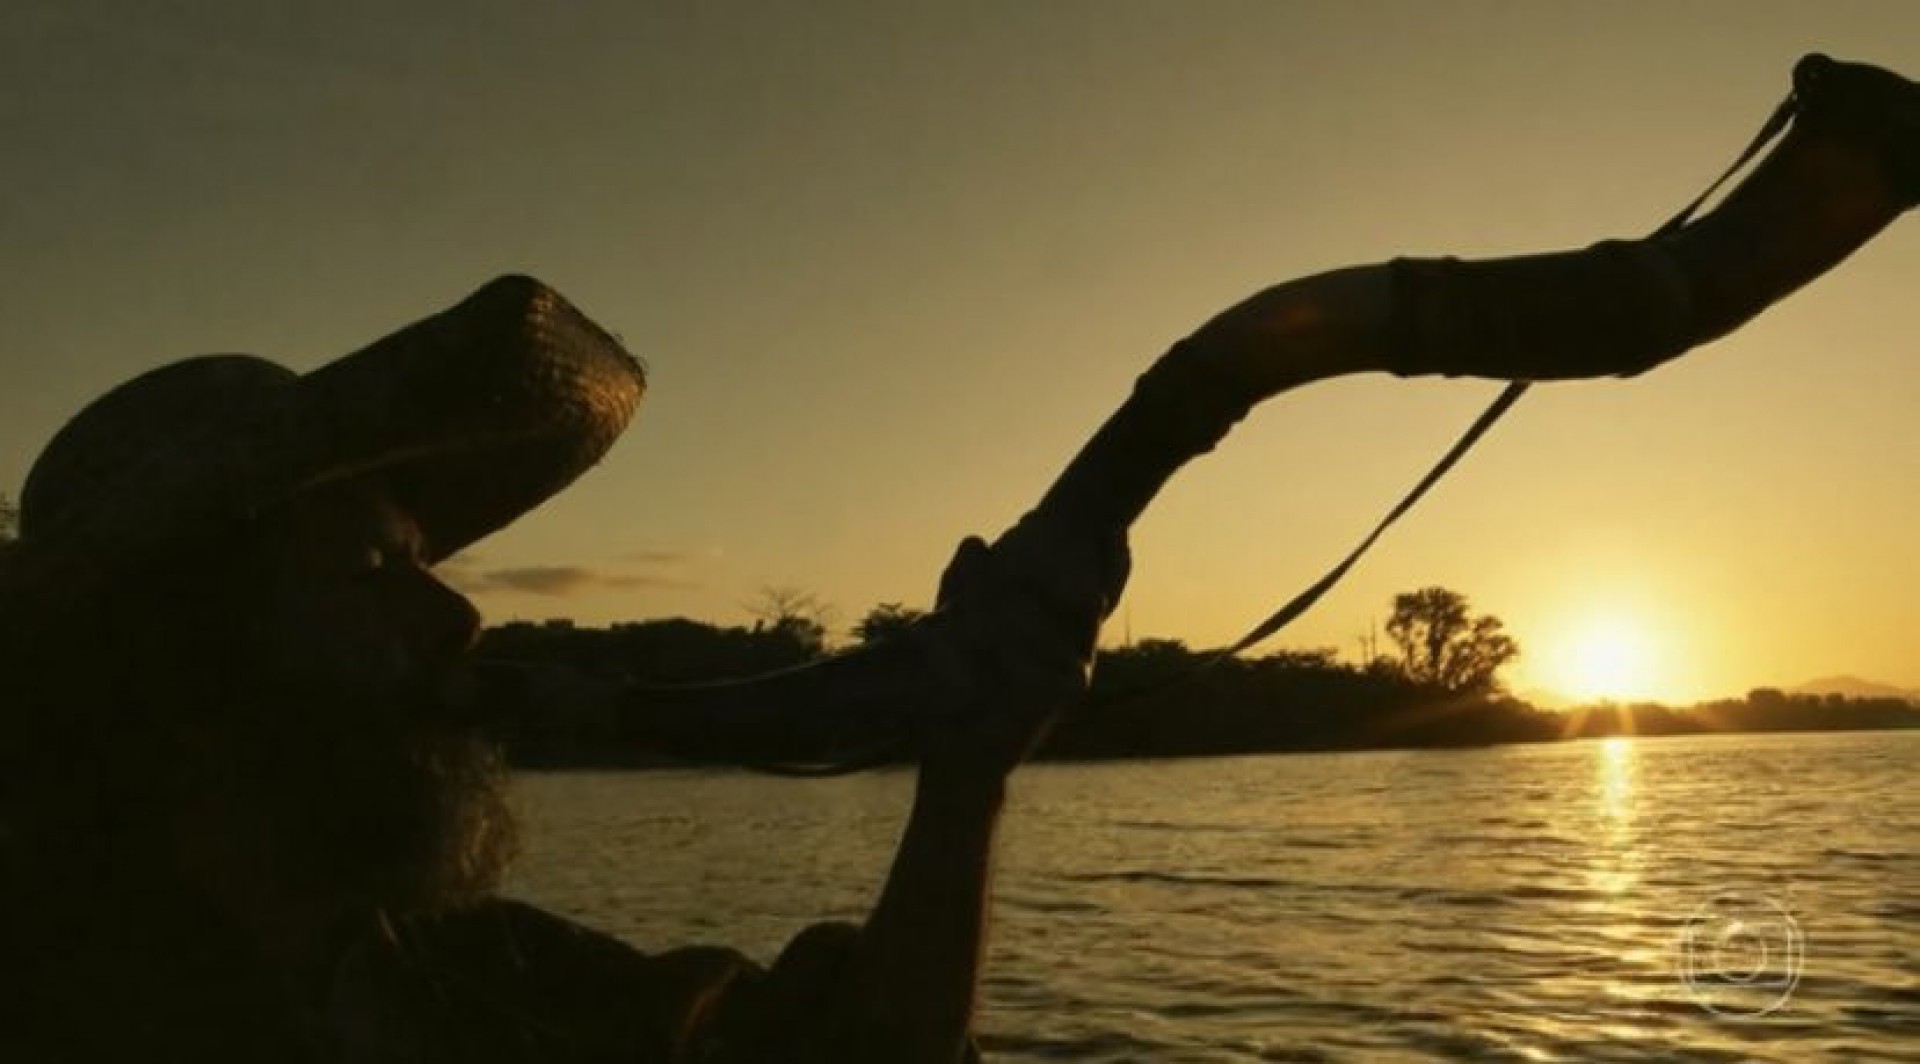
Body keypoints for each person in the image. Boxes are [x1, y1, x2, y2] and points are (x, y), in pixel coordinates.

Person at [0, 52, 1912, 1064]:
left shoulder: (458, 976)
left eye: (427, 552)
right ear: (177, 646)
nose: (453, 607)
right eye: (363, 563)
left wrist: (964, 784)